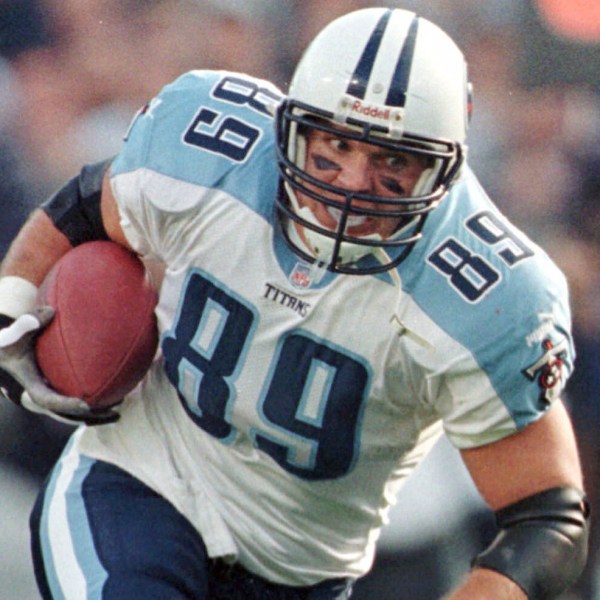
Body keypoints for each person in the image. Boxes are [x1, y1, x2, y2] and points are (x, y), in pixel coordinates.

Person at [0, 7, 589, 599]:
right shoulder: (210, 153)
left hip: (300, 575)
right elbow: (78, 209)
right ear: (292, 128)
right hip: (137, 489)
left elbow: (544, 519)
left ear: (444, 168)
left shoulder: (488, 296)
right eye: (334, 145)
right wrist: (12, 302)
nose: (353, 183)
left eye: (392, 161)